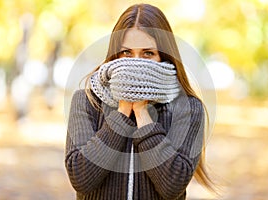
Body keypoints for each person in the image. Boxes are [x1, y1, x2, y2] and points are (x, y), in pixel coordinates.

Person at [65, 3, 217, 200]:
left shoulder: (188, 108)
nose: (136, 63)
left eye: (148, 53)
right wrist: (122, 114)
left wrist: (142, 114)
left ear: (163, 56)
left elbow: (172, 185)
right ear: (115, 55)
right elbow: (81, 179)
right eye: (127, 53)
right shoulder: (86, 102)